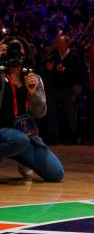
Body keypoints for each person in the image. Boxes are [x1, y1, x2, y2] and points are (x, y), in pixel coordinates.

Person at [0, 37, 64, 182]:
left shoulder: (33, 78)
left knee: (56, 173)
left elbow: (40, 113)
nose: (14, 52)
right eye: (10, 48)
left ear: (25, 53)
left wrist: (33, 94)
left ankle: (21, 158)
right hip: (3, 131)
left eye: (18, 48)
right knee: (19, 140)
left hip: (25, 136)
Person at [42, 34, 84, 145]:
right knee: (51, 113)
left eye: (61, 43)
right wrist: (50, 69)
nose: (58, 45)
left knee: (70, 113)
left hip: (67, 88)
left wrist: (64, 69)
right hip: (53, 88)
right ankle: (53, 137)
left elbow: (76, 73)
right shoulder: (54, 57)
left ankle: (75, 136)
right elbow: (46, 71)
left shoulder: (74, 57)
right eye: (57, 43)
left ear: (66, 44)